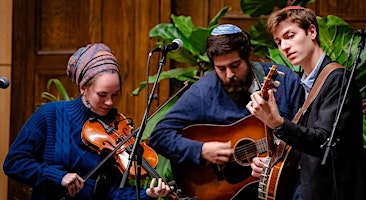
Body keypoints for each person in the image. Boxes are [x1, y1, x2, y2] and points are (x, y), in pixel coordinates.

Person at [148, 24, 304, 198]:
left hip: (284, 187)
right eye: (221, 69)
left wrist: (276, 165)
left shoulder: (285, 81)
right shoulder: (204, 91)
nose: (229, 74)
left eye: (235, 65)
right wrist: (201, 150)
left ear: (248, 56)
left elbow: (305, 136)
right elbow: (159, 136)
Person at [3, 43, 172, 199]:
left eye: (115, 94)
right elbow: (14, 163)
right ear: (83, 88)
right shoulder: (50, 115)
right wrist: (58, 176)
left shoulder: (117, 129)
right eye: (102, 95)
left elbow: (112, 193)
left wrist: (147, 194)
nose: (110, 102)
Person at [247, 6, 366, 200]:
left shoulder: (336, 79)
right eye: (279, 41)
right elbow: (302, 142)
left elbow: (323, 142)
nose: (284, 47)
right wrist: (272, 161)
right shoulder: (301, 83)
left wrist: (278, 124)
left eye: (290, 36)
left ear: (311, 31)